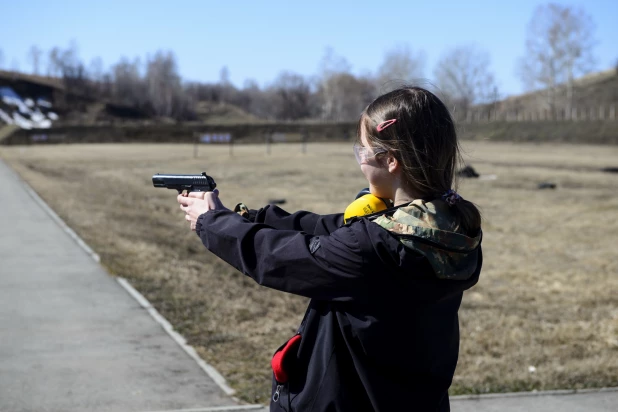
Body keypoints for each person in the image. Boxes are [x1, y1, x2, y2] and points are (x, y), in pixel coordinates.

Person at [177, 86, 483, 411]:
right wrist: (247, 217)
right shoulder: (450, 227)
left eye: (363, 152)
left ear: (391, 160)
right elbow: (326, 228)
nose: (361, 163)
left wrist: (209, 223)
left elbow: (278, 257)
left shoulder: (373, 247)